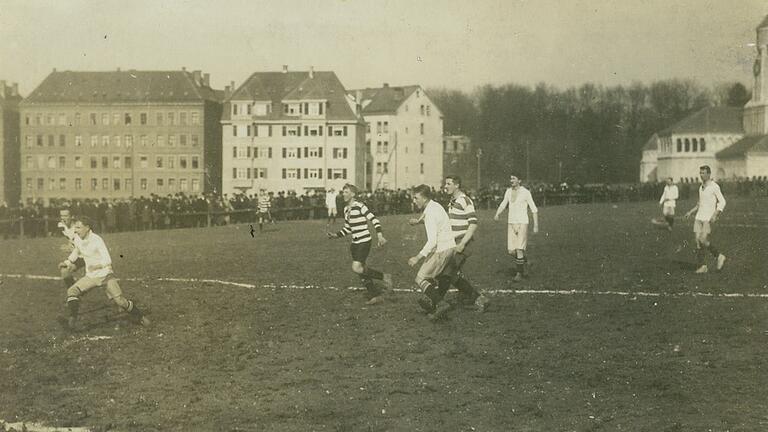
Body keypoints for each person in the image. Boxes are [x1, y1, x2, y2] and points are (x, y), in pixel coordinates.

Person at [59, 216, 150, 331]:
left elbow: (108, 260)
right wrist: (67, 262)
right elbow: (76, 251)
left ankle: (140, 316)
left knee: (120, 301)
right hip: (91, 276)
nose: (76, 230)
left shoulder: (97, 240)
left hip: (105, 275)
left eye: (78, 227)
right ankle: (71, 323)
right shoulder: (77, 238)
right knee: (72, 291)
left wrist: (97, 266)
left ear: (87, 228)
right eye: (75, 227)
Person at [327, 184, 392, 305]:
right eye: (343, 192)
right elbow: (348, 228)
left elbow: (374, 220)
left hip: (364, 241)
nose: (344, 194)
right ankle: (376, 295)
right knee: (361, 270)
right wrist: (336, 235)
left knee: (356, 267)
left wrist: (379, 235)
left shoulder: (360, 206)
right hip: (355, 243)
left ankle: (384, 277)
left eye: (346, 192)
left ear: (353, 194)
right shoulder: (346, 209)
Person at [408, 184, 456, 321]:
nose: (414, 201)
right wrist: (418, 222)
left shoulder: (429, 213)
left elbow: (432, 241)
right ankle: (434, 303)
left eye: (416, 198)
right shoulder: (435, 205)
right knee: (439, 276)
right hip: (450, 247)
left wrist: (417, 257)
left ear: (424, 198)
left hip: (441, 249)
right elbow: (433, 219)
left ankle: (440, 304)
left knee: (420, 278)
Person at [494, 174, 539, 282]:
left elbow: (534, 209)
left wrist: (536, 225)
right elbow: (503, 203)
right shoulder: (508, 191)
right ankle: (525, 260)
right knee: (511, 251)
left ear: (520, 180)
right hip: (511, 223)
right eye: (510, 178)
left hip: (522, 223)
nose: (511, 180)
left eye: (513, 178)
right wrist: (497, 214)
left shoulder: (525, 192)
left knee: (519, 249)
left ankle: (519, 273)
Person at [684, 165, 726, 273]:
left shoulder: (714, 186)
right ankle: (703, 266)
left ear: (708, 174)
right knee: (698, 241)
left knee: (703, 239)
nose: (701, 175)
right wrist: (691, 212)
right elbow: (699, 203)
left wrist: (715, 214)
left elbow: (722, 201)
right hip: (699, 217)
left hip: (708, 218)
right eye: (700, 173)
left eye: (703, 173)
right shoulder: (700, 187)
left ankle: (719, 256)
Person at [57, 208, 84, 291]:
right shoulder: (62, 226)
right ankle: (73, 293)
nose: (63, 218)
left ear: (72, 217)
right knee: (65, 272)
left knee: (101, 279)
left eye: (66, 215)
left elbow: (82, 245)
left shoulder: (78, 227)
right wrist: (70, 244)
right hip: (79, 256)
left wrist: (71, 248)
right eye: (61, 215)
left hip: (89, 255)